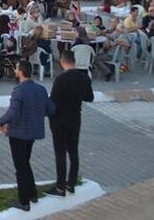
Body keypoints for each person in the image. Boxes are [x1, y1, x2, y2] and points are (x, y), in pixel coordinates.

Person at [0, 60, 56, 212]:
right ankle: (32, 194)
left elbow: (12, 112)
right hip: (33, 133)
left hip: (18, 134)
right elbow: (51, 109)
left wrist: (1, 122)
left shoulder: (19, 90)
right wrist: (36, 116)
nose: (15, 71)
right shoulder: (41, 89)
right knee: (25, 163)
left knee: (20, 166)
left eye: (16, 68)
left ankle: (24, 201)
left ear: (21, 72)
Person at [46, 48, 94, 196]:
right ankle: (71, 183)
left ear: (62, 61)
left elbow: (52, 102)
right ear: (74, 61)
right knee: (73, 151)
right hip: (75, 118)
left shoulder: (60, 79)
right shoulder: (84, 78)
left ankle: (60, 186)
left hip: (59, 121)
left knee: (60, 153)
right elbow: (89, 97)